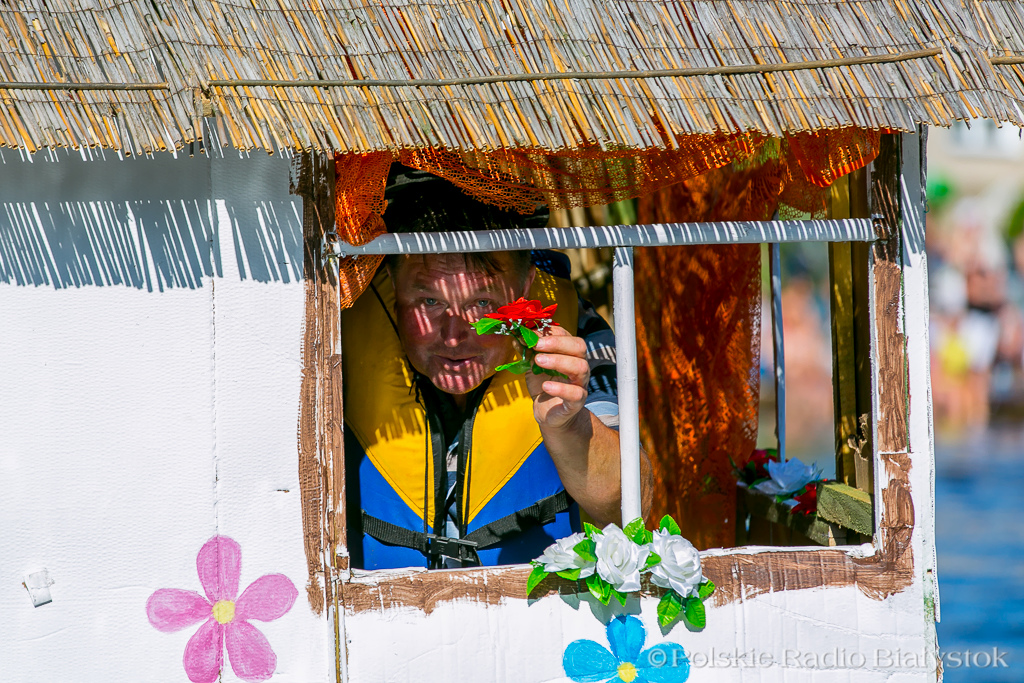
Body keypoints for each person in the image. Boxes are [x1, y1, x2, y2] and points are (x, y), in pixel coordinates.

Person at [342, 166, 651, 570]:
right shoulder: (328, 341)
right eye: (430, 301)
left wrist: (570, 426)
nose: (454, 336)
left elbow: (631, 508)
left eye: (482, 303)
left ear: (525, 288)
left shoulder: (578, 335)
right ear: (391, 282)